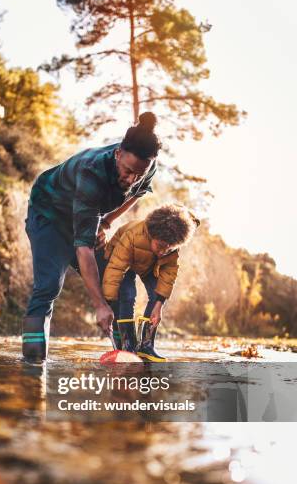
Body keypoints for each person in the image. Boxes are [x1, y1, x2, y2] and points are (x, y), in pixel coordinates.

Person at [23, 112, 161, 362]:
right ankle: (33, 365)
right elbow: (83, 248)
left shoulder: (146, 166)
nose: (131, 179)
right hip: (49, 215)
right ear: (118, 153)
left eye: (138, 175)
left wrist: (106, 222)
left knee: (115, 281)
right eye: (127, 170)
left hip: (87, 216)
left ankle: (126, 355)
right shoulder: (92, 172)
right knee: (49, 286)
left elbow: (136, 194)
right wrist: (99, 305)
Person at [101, 203, 200, 362]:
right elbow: (115, 269)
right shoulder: (133, 235)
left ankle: (146, 346)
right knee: (127, 295)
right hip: (120, 259)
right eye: (160, 246)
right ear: (151, 234)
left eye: (168, 249)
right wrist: (107, 304)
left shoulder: (170, 246)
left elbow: (168, 277)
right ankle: (129, 346)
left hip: (147, 264)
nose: (163, 252)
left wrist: (159, 304)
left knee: (156, 296)